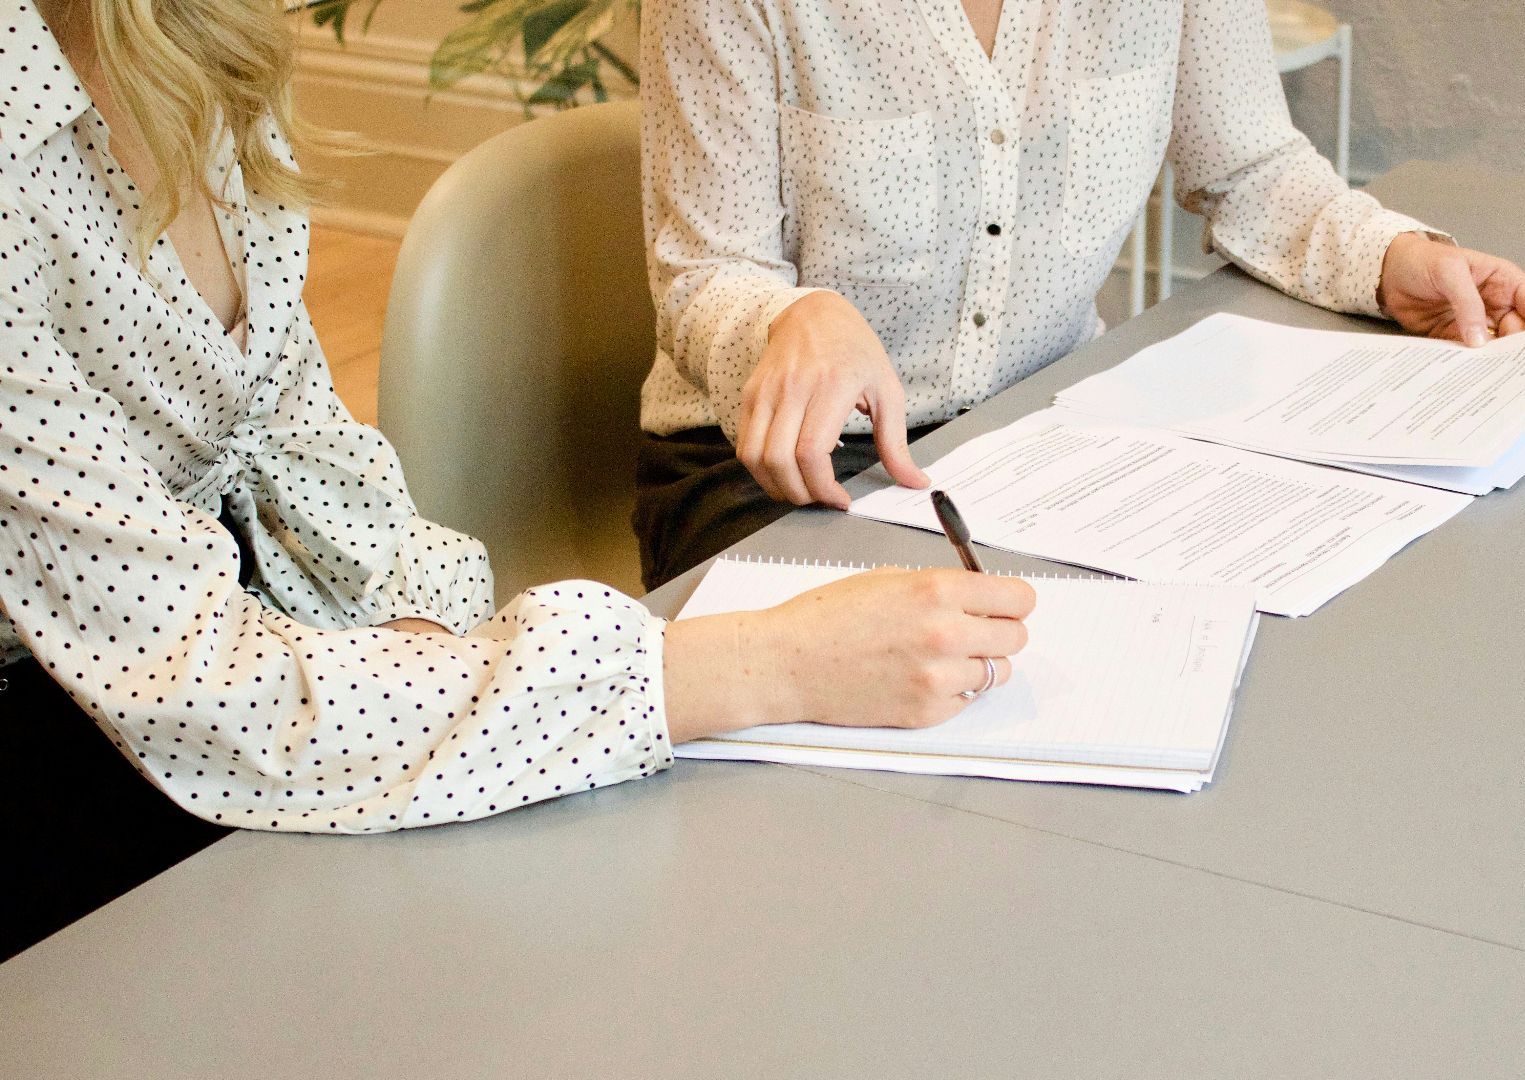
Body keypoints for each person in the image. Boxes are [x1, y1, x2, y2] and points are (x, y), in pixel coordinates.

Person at [0, 0, 1034, 961]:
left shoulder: (192, 45)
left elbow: (300, 447)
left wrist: (414, 640)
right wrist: (770, 667)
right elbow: (206, 688)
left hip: (230, 670)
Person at [633, 0, 1525, 588]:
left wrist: (1389, 255)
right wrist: (792, 320)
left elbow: (1247, 165)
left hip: (1039, 445)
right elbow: (704, 274)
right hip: (773, 472)